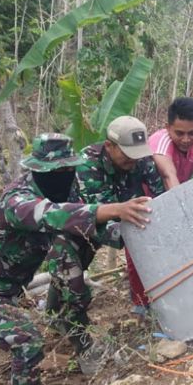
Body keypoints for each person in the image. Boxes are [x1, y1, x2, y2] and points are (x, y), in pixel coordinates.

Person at [0, 134, 151, 385]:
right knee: (26, 341)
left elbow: (88, 226)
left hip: (8, 286)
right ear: (36, 169)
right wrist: (114, 208)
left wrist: (132, 234)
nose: (62, 175)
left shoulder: (66, 190)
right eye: (55, 171)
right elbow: (54, 214)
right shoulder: (17, 200)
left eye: (68, 169)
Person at [74, 116, 166, 316]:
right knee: (72, 268)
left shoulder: (140, 158)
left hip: (127, 216)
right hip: (86, 223)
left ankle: (148, 302)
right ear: (109, 146)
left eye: (137, 155)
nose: (133, 161)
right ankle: (59, 315)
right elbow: (100, 212)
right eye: (127, 155)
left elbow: (158, 191)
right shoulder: (88, 164)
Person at [148, 97, 193, 189]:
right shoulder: (160, 142)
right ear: (168, 127)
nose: (186, 139)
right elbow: (168, 176)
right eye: (179, 133)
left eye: (192, 133)